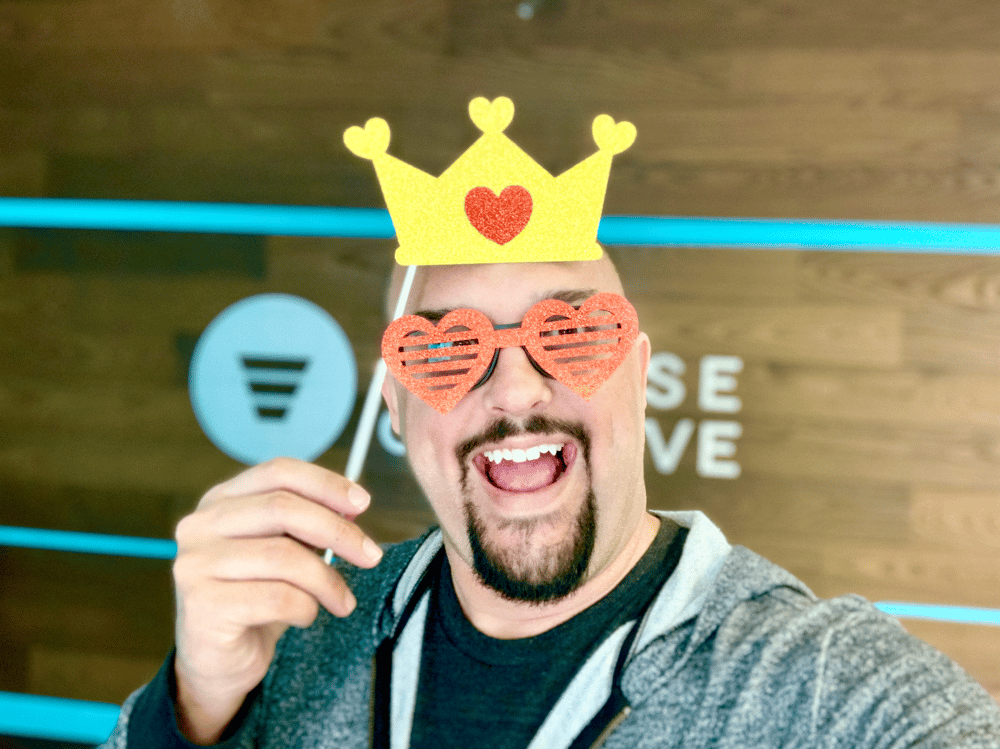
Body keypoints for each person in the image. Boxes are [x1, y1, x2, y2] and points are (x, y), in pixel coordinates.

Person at [100, 255, 1000, 748]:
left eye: (570, 333)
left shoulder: (811, 680)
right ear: (395, 405)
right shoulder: (298, 633)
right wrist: (191, 708)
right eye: (448, 350)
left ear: (639, 377)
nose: (517, 391)